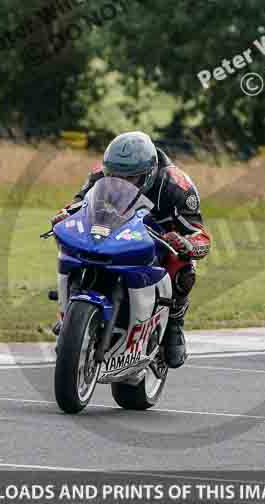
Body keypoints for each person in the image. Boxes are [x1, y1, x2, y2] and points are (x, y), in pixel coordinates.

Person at [51, 131, 211, 368]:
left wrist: (186, 244)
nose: (119, 182)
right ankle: (68, 312)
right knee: (71, 244)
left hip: (157, 239)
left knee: (183, 270)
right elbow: (78, 204)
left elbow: (200, 235)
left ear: (149, 173)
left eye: (130, 178)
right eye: (113, 175)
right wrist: (65, 214)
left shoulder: (177, 185)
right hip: (111, 229)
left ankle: (175, 324)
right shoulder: (99, 172)